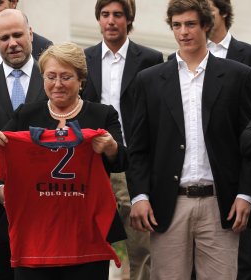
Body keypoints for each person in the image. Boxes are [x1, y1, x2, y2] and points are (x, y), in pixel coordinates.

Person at [128, 0, 251, 279]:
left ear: (207, 26)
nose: (183, 32)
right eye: (177, 25)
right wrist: (139, 195)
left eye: (190, 24)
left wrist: (246, 194)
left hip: (220, 204)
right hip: (168, 204)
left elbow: (250, 144)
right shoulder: (149, 80)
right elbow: (139, 148)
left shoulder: (238, 76)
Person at [0, 42, 127, 280]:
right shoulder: (26, 115)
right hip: (35, 239)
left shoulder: (102, 115)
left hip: (86, 237)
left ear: (81, 80)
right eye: (51, 76)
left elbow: (121, 161)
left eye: (66, 77)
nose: (57, 84)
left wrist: (111, 148)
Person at [82, 0, 163, 278]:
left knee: (140, 243)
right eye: (105, 15)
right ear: (98, 19)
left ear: (129, 19)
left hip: (133, 161)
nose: (111, 21)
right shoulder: (85, 58)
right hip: (94, 162)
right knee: (94, 241)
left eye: (118, 15)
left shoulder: (150, 59)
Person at [0, 8, 47, 280]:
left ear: (30, 34)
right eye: (4, 37)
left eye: (18, 34)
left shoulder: (54, 80)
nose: (12, 43)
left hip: (48, 209)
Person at [206, 2, 251, 278]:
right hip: (199, 173)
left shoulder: (249, 56)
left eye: (208, 10)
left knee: (244, 257)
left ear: (223, 12)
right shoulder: (180, 59)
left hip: (240, 168)